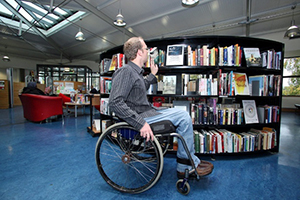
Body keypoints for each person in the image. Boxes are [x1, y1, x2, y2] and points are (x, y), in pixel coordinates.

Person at [108, 37, 213, 178]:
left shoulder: (135, 72)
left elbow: (138, 90)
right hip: (142, 117)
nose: (148, 52)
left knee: (181, 113)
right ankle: (185, 166)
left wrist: (152, 75)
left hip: (148, 112)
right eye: (146, 49)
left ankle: (189, 160)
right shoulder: (126, 71)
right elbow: (115, 102)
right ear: (139, 52)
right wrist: (140, 123)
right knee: (183, 117)